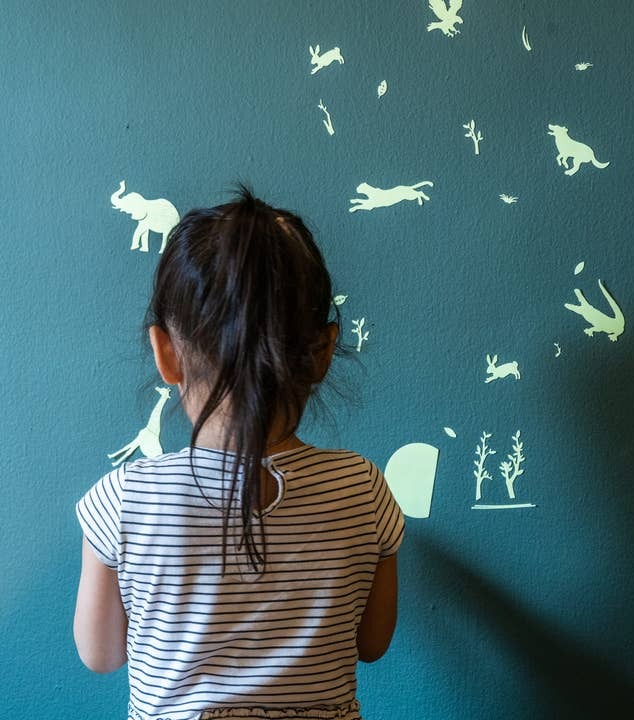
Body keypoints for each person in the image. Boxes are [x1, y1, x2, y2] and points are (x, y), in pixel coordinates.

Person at [74, 188, 405, 720]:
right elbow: (372, 643)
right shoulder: (362, 490)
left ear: (166, 354)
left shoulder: (124, 500)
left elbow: (101, 655)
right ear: (323, 352)